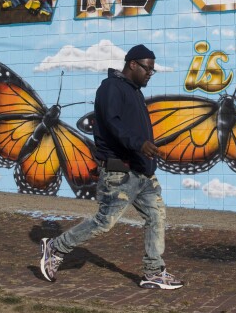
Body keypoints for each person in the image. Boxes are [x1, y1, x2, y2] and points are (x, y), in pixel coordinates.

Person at [40, 44, 184, 290]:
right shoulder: (111, 88)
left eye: (153, 70)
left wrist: (148, 156)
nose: (150, 73)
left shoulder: (134, 92)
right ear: (132, 64)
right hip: (120, 172)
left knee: (156, 216)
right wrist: (140, 144)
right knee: (104, 222)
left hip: (142, 172)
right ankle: (56, 247)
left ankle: (153, 272)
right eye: (148, 69)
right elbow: (113, 124)